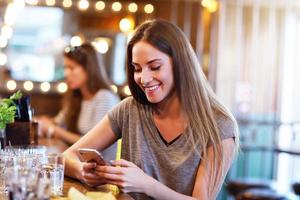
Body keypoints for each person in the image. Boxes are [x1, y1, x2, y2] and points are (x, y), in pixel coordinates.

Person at [63, 19, 239, 200]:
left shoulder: (219, 125)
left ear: (180, 64)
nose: (144, 79)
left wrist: (146, 185)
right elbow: (66, 157)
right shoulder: (129, 109)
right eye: (137, 69)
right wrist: (82, 171)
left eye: (155, 67)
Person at [38, 43, 120, 161]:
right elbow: (57, 121)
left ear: (88, 69)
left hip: (100, 170)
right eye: (65, 68)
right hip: (80, 164)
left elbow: (93, 145)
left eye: (71, 68)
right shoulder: (77, 96)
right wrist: (44, 122)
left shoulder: (104, 97)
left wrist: (54, 130)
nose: (66, 73)